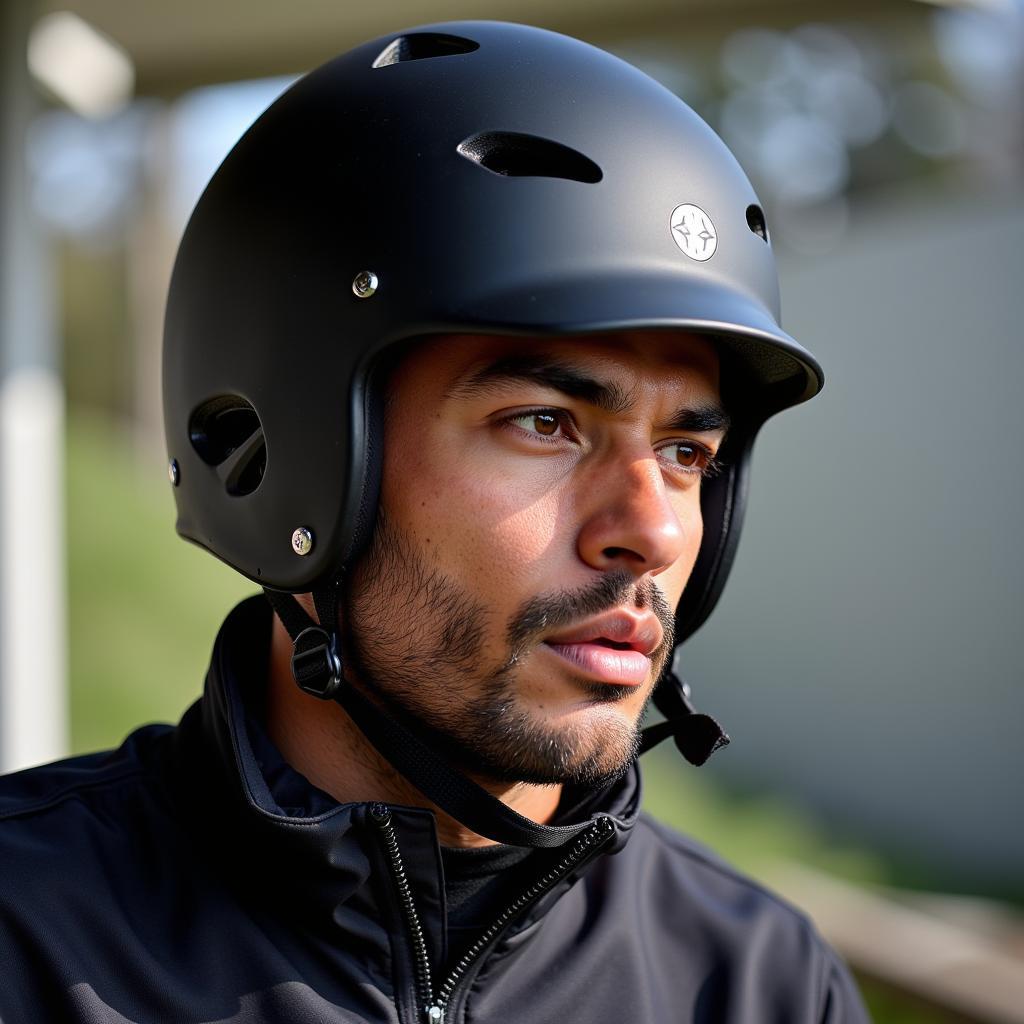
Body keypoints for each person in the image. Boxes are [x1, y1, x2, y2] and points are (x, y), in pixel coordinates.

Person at [0, 20, 870, 1023]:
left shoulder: (760, 984)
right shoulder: (26, 940)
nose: (654, 534)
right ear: (279, 455)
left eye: (685, 453)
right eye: (545, 423)